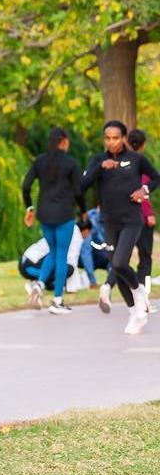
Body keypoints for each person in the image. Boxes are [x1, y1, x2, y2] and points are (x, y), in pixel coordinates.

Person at [80, 121, 160, 335]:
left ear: (124, 138)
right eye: (107, 138)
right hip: (110, 221)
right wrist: (99, 168)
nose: (111, 142)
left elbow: (156, 178)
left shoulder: (136, 159)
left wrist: (144, 190)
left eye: (115, 138)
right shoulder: (98, 160)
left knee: (119, 261)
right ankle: (135, 313)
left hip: (132, 220)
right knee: (117, 268)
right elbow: (81, 186)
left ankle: (139, 290)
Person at [22, 127, 87, 314]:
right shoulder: (71, 163)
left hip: (44, 215)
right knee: (61, 255)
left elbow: (26, 186)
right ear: (64, 141)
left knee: (52, 250)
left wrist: (30, 207)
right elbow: (78, 192)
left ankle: (39, 285)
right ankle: (57, 301)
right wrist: (83, 212)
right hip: (64, 215)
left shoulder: (40, 161)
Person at [20, 219, 91, 304]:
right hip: (31, 266)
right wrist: (72, 289)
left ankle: (42, 284)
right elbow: (72, 261)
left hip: (24, 263)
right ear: (86, 230)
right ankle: (35, 284)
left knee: (56, 271)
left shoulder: (64, 228)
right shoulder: (76, 235)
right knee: (69, 269)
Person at [128, 128, 155, 314]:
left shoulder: (123, 162)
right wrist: (148, 214)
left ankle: (108, 286)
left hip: (125, 218)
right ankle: (144, 299)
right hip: (141, 219)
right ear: (143, 145)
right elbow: (143, 192)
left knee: (121, 259)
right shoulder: (141, 163)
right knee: (145, 259)